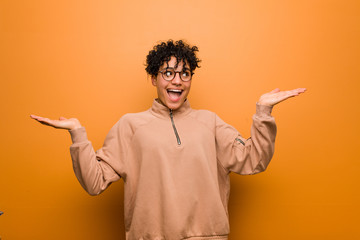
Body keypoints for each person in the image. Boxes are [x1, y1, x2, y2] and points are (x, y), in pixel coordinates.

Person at [31, 40, 306, 240]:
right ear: (154, 78)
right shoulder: (130, 125)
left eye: (185, 73)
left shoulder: (210, 122)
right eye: (168, 72)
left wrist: (263, 112)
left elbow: (254, 160)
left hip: (207, 237)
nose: (178, 80)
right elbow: (94, 183)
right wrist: (78, 135)